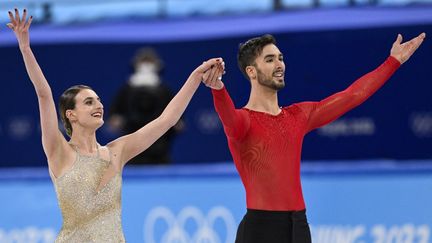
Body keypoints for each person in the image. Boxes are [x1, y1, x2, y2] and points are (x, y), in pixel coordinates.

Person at [6, 8, 224, 242]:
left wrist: (195, 77)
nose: (98, 105)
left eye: (98, 100)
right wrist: (25, 48)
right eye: (89, 102)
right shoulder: (59, 151)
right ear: (71, 115)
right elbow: (44, 94)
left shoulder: (115, 152)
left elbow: (166, 120)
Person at [202, 33, 425, 243]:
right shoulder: (243, 121)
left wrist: (393, 61)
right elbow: (227, 115)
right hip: (260, 229)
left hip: (298, 227)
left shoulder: (298, 115)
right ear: (252, 71)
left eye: (280, 58)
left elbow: (352, 95)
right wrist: (218, 88)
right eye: (270, 60)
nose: (279, 64)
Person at [108, 48, 182, 165]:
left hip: (159, 151)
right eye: (143, 61)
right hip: (132, 152)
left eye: (150, 61)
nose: (146, 65)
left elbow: (179, 123)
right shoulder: (126, 91)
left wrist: (174, 123)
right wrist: (117, 122)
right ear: (135, 64)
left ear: (158, 65)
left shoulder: (165, 91)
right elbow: (113, 120)